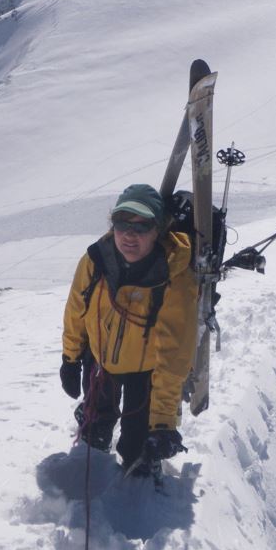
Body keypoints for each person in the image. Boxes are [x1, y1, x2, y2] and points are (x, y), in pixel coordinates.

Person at [59, 183, 196, 474]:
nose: (129, 235)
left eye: (142, 226)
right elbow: (76, 311)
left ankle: (140, 488)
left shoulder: (174, 276)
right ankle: (95, 443)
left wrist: (162, 422)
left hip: (145, 374)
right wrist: (70, 359)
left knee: (139, 454)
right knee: (94, 430)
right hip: (100, 364)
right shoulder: (96, 260)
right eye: (122, 223)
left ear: (158, 230)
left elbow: (174, 355)